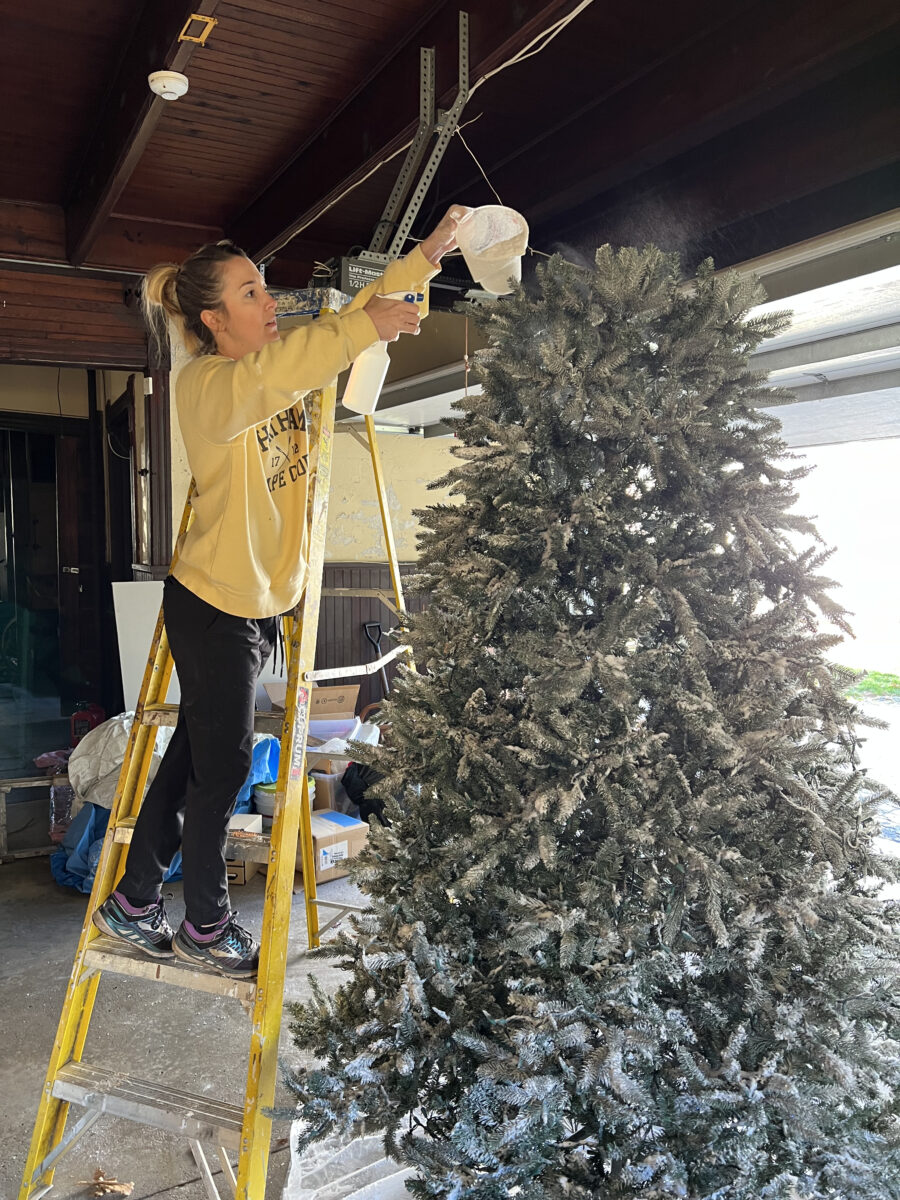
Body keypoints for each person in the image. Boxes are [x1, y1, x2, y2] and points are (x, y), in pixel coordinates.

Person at [93, 207, 470, 979]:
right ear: (211, 319)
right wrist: (361, 327)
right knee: (225, 767)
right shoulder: (206, 386)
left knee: (193, 761)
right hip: (214, 603)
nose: (270, 304)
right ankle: (203, 924)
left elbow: (333, 327)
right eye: (252, 294)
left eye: (265, 290)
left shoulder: (274, 368)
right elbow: (298, 357)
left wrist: (427, 256)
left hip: (263, 603)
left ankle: (133, 902)